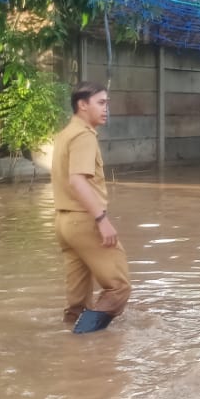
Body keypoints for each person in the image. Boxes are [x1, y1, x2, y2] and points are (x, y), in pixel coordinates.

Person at [50, 81, 131, 334]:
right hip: (85, 221)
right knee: (119, 287)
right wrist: (101, 219)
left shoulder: (65, 134)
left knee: (77, 302)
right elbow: (77, 180)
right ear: (82, 105)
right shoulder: (83, 135)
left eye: (107, 103)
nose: (107, 108)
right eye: (101, 102)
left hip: (64, 224)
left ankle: (73, 351)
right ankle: (82, 338)